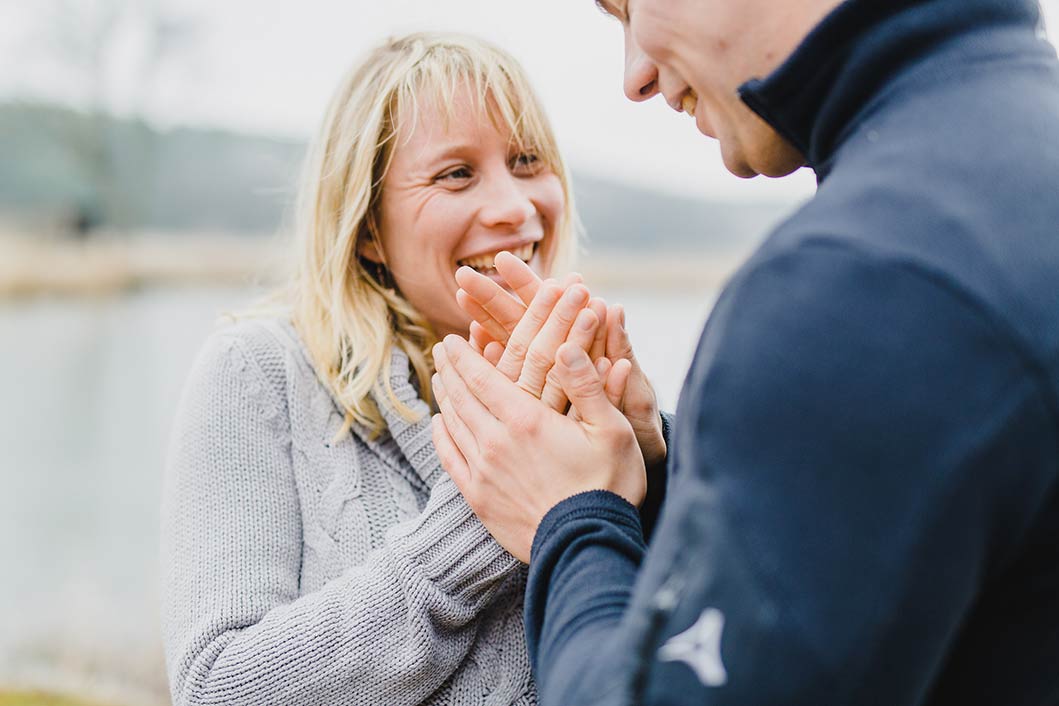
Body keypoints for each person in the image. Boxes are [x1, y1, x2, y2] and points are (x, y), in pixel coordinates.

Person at [431, 0, 1059, 704]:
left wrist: (571, 515)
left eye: (629, 8)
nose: (635, 74)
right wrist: (660, 476)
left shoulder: (863, 279)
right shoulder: (1017, 151)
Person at [160, 31, 650, 706]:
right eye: (456, 173)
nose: (515, 207)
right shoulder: (260, 372)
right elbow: (217, 689)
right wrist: (487, 513)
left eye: (528, 160)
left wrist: (659, 474)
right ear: (367, 227)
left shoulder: (590, 388)